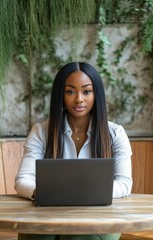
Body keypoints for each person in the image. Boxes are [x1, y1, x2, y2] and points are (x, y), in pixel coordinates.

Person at [15, 62, 132, 240]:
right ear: (60, 95)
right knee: (38, 235)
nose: (78, 99)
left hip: (99, 218)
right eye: (70, 91)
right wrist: (41, 192)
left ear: (96, 94)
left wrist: (89, 195)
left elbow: (124, 183)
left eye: (86, 91)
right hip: (48, 215)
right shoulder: (40, 132)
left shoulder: (115, 134)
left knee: (79, 235)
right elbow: (23, 180)